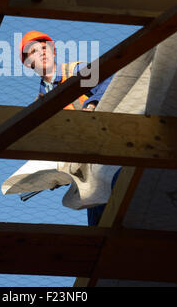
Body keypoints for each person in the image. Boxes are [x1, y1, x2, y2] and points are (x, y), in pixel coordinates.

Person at [12, 30, 121, 225]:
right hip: (85, 165)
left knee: (120, 196)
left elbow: (111, 81)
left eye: (45, 48)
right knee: (99, 216)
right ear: (29, 64)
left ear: (53, 51)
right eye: (34, 51)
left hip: (106, 148)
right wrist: (53, 171)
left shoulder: (76, 71)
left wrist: (92, 105)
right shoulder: (40, 103)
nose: (42, 53)